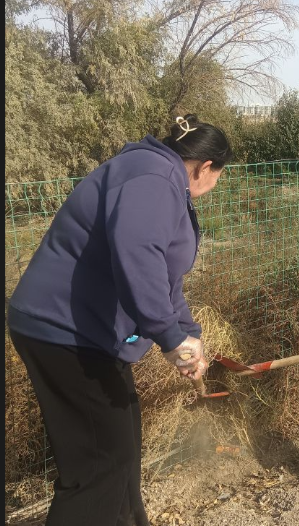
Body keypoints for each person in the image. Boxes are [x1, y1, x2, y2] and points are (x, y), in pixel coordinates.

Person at [8, 114, 233, 526]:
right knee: (99, 466)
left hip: (88, 333)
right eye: (218, 176)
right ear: (205, 167)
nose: (214, 186)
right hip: (64, 331)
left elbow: (163, 276)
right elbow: (138, 256)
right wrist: (169, 337)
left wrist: (188, 333)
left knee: (122, 451)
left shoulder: (154, 173)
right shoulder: (154, 178)